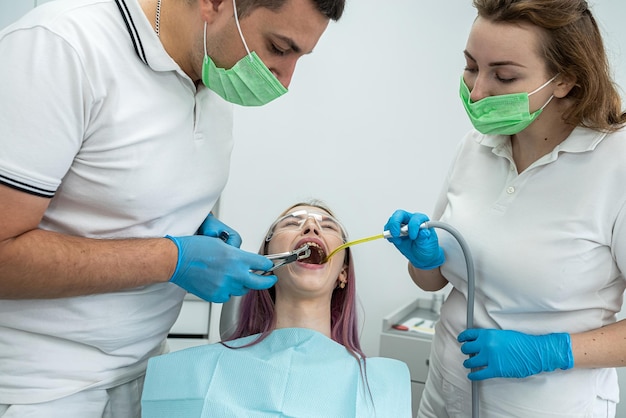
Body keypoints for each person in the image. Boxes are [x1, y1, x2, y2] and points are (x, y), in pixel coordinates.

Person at [0, 0, 344, 416]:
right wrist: (173, 258)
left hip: (144, 375)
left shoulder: (213, 77)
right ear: (214, 4)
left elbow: (113, 193)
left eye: (300, 56)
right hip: (36, 389)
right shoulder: (61, 49)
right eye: (278, 47)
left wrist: (192, 222)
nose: (285, 80)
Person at [384, 0, 626, 416]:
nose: (477, 92)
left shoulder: (615, 164)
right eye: (471, 66)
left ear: (565, 79)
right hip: (444, 394)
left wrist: (551, 351)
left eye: (504, 75)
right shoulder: (475, 146)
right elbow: (433, 283)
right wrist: (426, 258)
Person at [141, 201, 412, 417]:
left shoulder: (382, 386)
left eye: (327, 226)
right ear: (267, 260)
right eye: (293, 223)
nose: (310, 227)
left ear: (343, 273)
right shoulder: (194, 373)